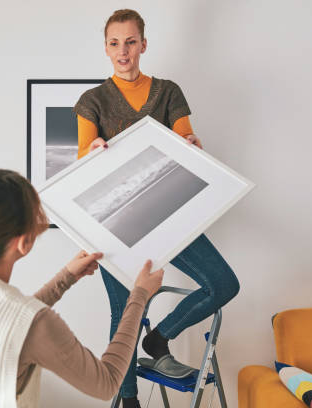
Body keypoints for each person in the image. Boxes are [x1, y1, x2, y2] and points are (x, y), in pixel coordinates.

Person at [73, 9, 240, 408]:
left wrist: (192, 144)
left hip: (170, 214)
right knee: (123, 312)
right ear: (106, 48)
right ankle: (129, 400)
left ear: (143, 45)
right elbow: (82, 156)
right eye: (115, 43)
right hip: (115, 223)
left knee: (223, 283)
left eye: (130, 42)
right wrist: (92, 154)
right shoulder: (92, 100)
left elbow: (186, 138)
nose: (123, 51)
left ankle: (159, 337)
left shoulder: (168, 91)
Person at [0, 169, 164, 408]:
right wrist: (139, 296)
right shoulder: (35, 323)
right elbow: (106, 384)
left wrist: (65, 278)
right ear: (25, 243)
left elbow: (6, 325)